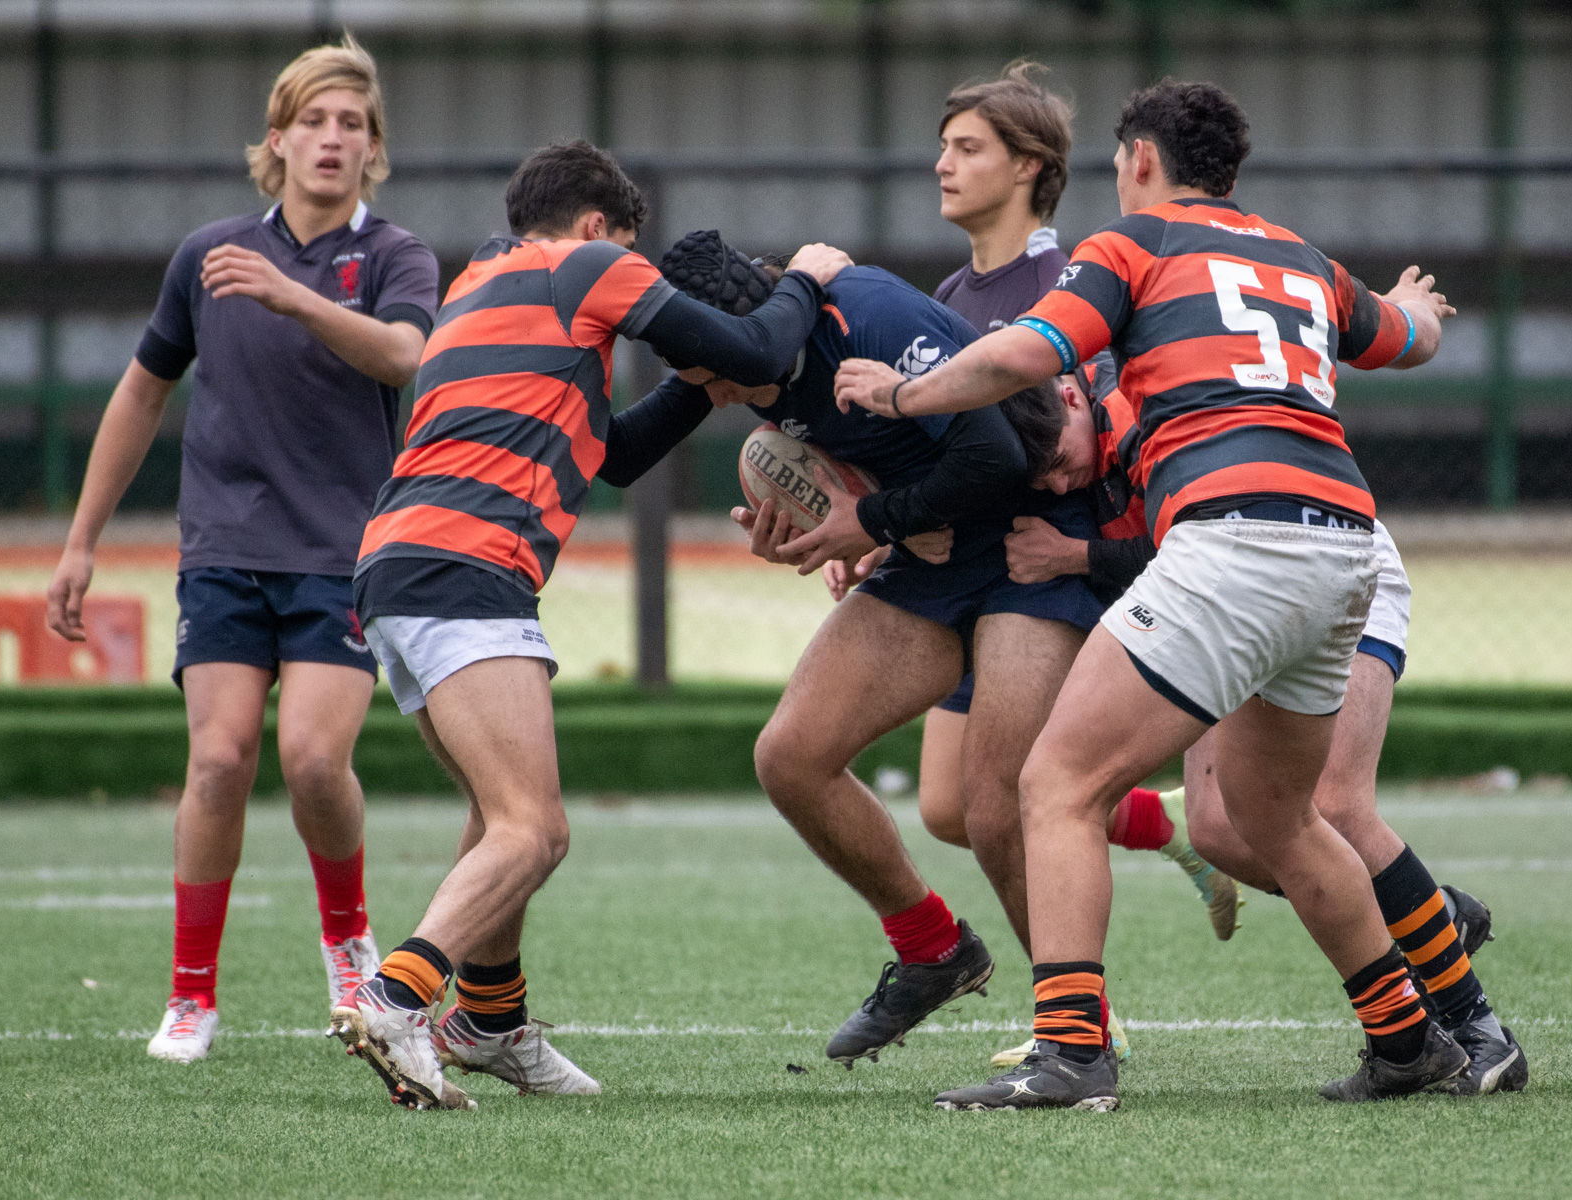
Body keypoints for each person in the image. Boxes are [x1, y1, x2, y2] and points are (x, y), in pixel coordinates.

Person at [836, 78, 1469, 1110]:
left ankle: (1073, 1053)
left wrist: (899, 392)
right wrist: (1417, 307)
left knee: (1055, 785)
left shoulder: (1134, 246)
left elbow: (1025, 353)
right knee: (1281, 817)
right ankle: (1410, 1041)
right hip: (1347, 544)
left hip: (1237, 539)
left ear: (1138, 161)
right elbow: (1408, 338)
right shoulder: (1299, 255)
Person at [327, 143, 852, 1110]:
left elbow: (609, 457)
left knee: (495, 816)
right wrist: (810, 284)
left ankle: (491, 1021)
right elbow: (761, 351)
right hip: (465, 565)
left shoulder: (481, 285)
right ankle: (399, 998)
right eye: (633, 254)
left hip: (401, 566)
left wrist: (702, 387)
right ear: (598, 228)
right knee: (535, 832)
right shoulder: (588, 266)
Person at [45, 35, 438, 1065]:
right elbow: (142, 392)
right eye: (315, 120)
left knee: (313, 761)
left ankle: (348, 942)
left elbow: (404, 352)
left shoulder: (395, 256)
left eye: (353, 124)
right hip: (224, 545)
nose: (333, 138)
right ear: (278, 139)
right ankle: (190, 999)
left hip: (344, 552)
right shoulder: (207, 254)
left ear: (373, 150)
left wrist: (293, 296)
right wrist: (80, 542)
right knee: (217, 762)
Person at [1014, 355, 1526, 1096]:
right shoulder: (1064, 416)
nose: (1062, 485)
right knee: (1223, 827)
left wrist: (1073, 554)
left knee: (1336, 805)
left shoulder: (1138, 403)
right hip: (1220, 593)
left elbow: (1184, 533)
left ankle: (1478, 1028)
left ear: (1071, 394)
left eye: (1060, 465)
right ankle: (1427, 918)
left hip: (1319, 559)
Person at [654, 231, 1105, 1070]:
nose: (715, 396)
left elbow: (997, 454)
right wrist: (812, 524)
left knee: (994, 806)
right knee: (791, 756)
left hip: (1026, 541)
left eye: (719, 377)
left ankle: (1077, 1034)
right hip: (926, 553)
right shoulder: (737, 358)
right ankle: (935, 948)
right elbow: (626, 449)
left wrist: (865, 523)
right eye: (700, 379)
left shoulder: (867, 311)